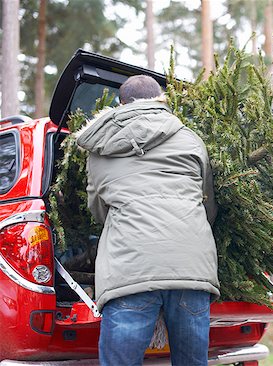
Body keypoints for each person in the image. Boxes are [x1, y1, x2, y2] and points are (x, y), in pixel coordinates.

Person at [76, 75, 219, 366]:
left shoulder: (100, 149)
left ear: (121, 104)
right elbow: (207, 203)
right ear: (160, 101)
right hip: (190, 264)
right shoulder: (190, 138)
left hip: (129, 268)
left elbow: (98, 211)